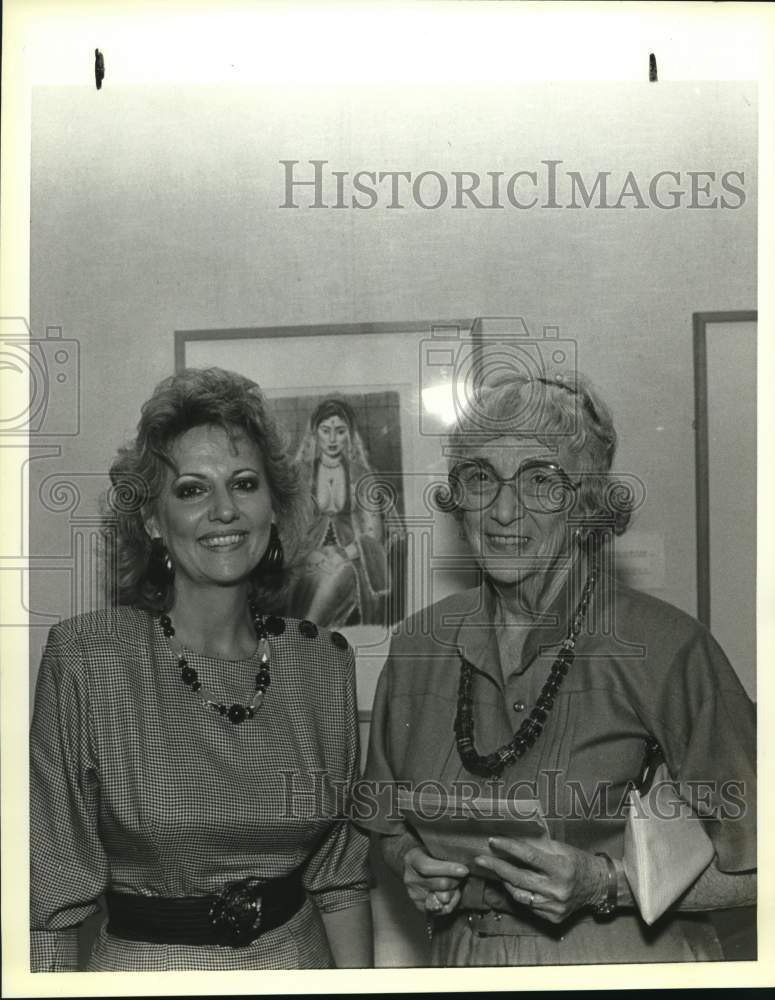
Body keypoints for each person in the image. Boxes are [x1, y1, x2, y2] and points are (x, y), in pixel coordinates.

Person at [357, 370, 756, 966]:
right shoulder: (418, 647)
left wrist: (608, 883)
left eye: (541, 480)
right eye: (480, 478)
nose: (504, 510)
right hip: (461, 963)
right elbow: (386, 827)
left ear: (586, 503)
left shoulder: (667, 647)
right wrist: (410, 863)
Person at [30, 367, 373, 971]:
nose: (224, 510)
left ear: (273, 507)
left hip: (299, 968)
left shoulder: (323, 663)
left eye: (244, 484)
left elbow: (341, 881)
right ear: (153, 520)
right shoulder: (88, 660)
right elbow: (51, 908)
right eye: (192, 490)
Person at [290, 397, 397, 629]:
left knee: (341, 572)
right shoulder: (299, 474)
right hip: (305, 559)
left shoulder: (362, 475)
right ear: (314, 433)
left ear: (349, 434)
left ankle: (307, 632)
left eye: (339, 431)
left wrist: (342, 555)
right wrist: (311, 555)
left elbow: (373, 535)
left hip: (352, 558)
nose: (332, 439)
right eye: (325, 430)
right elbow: (287, 527)